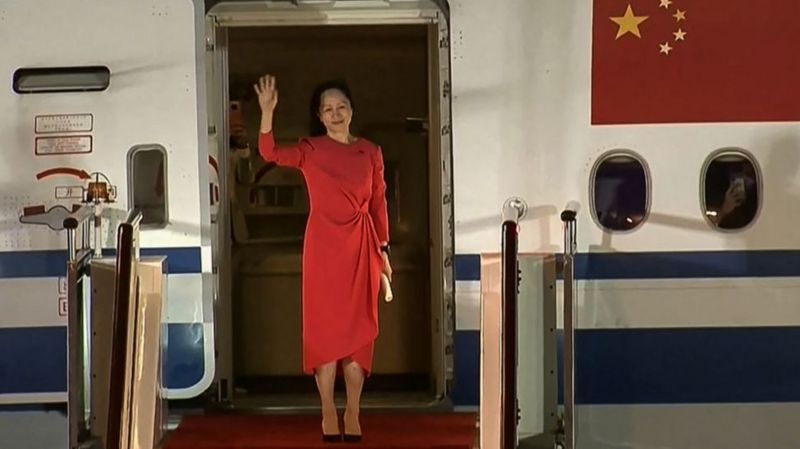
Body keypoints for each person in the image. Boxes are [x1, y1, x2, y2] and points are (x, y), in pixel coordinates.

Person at [253, 74, 392, 442]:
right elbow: (269, 152)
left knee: (359, 333)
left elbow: (379, 203)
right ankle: (328, 408)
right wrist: (267, 112)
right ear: (319, 115)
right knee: (325, 332)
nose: (335, 113)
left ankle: (354, 410)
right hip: (323, 249)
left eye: (341, 106)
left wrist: (384, 249)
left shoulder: (370, 151)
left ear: (352, 110)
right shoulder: (310, 150)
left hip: (362, 247)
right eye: (328, 109)